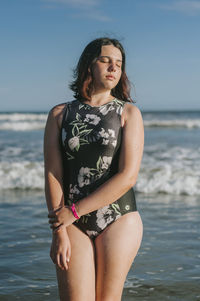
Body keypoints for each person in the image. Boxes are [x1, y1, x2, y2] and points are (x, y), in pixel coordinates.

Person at [44, 37, 144, 301]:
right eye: (105, 60)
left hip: (118, 218)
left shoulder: (129, 114)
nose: (113, 68)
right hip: (71, 222)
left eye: (119, 64)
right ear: (88, 65)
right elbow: (54, 173)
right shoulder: (59, 115)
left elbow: (128, 176)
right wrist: (59, 229)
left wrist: (74, 211)